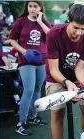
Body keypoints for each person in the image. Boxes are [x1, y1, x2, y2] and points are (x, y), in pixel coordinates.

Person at [45, 2, 84, 139]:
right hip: (56, 77)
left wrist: (83, 83)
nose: (78, 32)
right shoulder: (53, 34)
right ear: (68, 20)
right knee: (57, 114)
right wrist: (67, 82)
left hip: (77, 77)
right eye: (75, 27)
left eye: (83, 29)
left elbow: (80, 67)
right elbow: (53, 69)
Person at [9, 1, 51, 136]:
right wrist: (23, 51)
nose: (32, 9)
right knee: (29, 90)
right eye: (30, 6)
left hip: (42, 61)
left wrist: (40, 21)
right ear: (27, 7)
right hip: (25, 60)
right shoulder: (21, 21)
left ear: (40, 8)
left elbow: (51, 36)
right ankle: (20, 124)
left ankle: (33, 117)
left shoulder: (43, 21)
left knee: (38, 89)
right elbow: (12, 39)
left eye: (35, 6)